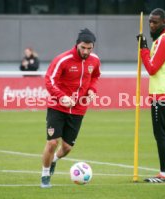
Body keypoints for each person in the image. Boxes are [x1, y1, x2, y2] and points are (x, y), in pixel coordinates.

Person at [40, 28, 101, 188]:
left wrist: (92, 90)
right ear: (76, 45)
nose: (86, 51)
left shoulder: (94, 60)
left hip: (79, 109)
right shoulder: (62, 59)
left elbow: (95, 76)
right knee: (52, 143)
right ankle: (45, 175)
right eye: (83, 48)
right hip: (57, 106)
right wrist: (62, 97)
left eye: (89, 48)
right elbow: (49, 80)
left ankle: (54, 160)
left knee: (66, 148)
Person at [137, 8, 165, 183]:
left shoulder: (164, 40)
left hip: (163, 94)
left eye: (155, 22)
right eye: (150, 22)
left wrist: (143, 49)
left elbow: (152, 68)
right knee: (163, 133)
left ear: (164, 22)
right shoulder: (161, 40)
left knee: (161, 134)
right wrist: (146, 47)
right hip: (164, 93)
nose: (152, 25)